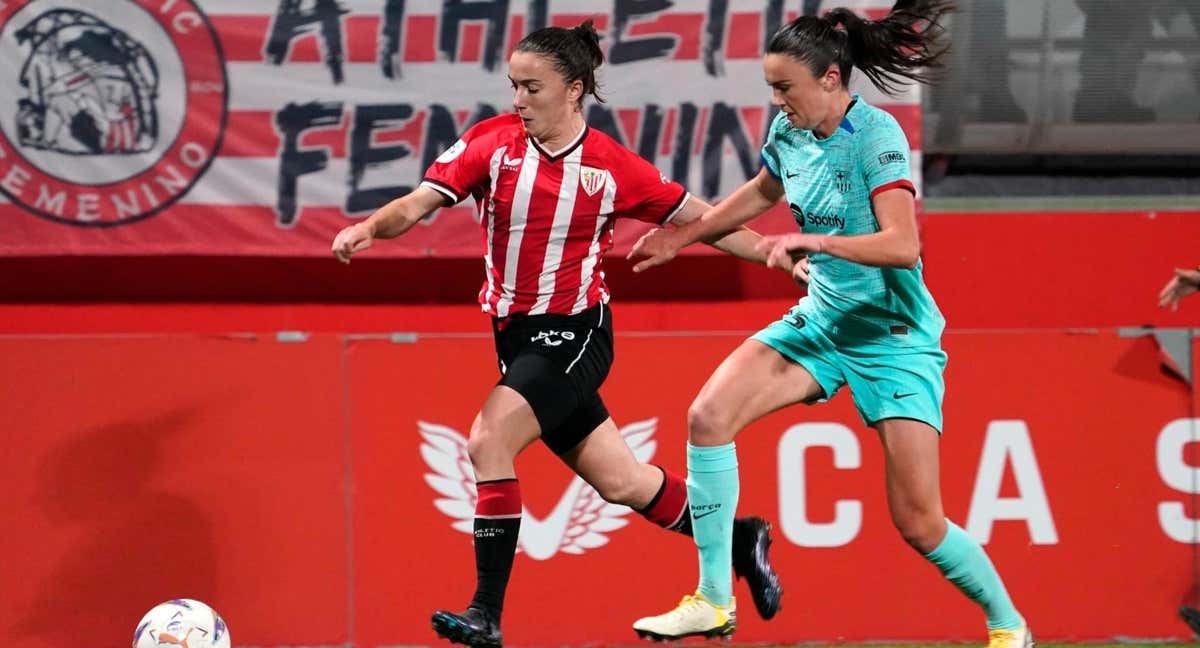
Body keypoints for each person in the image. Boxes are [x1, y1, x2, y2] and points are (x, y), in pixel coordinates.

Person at [330, 20, 783, 648]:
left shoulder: (611, 167)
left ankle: (485, 613)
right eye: (513, 86)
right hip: (516, 337)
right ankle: (739, 535)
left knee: (488, 439)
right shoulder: (491, 144)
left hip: (576, 332)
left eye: (532, 88)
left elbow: (708, 220)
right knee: (622, 483)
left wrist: (777, 253)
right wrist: (370, 228)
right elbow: (418, 202)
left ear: (574, 90)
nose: (518, 100)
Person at [626, 2, 1033, 647]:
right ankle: (712, 597)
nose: (777, 100)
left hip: (893, 338)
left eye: (785, 87)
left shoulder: (877, 138)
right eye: (771, 88)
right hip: (820, 323)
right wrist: (684, 238)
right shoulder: (790, 134)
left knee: (919, 522)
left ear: (831, 79)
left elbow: (903, 246)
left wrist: (816, 243)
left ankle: (1008, 626)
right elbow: (763, 192)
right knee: (706, 418)